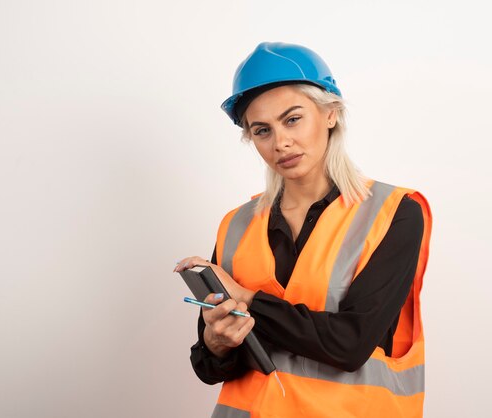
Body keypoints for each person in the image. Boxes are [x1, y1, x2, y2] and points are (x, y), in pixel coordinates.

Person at [174, 42, 432, 418]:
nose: (281, 142)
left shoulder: (395, 213)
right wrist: (216, 344)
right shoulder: (236, 225)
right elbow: (209, 368)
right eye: (262, 130)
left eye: (292, 119)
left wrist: (246, 298)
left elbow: (350, 345)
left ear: (330, 113)